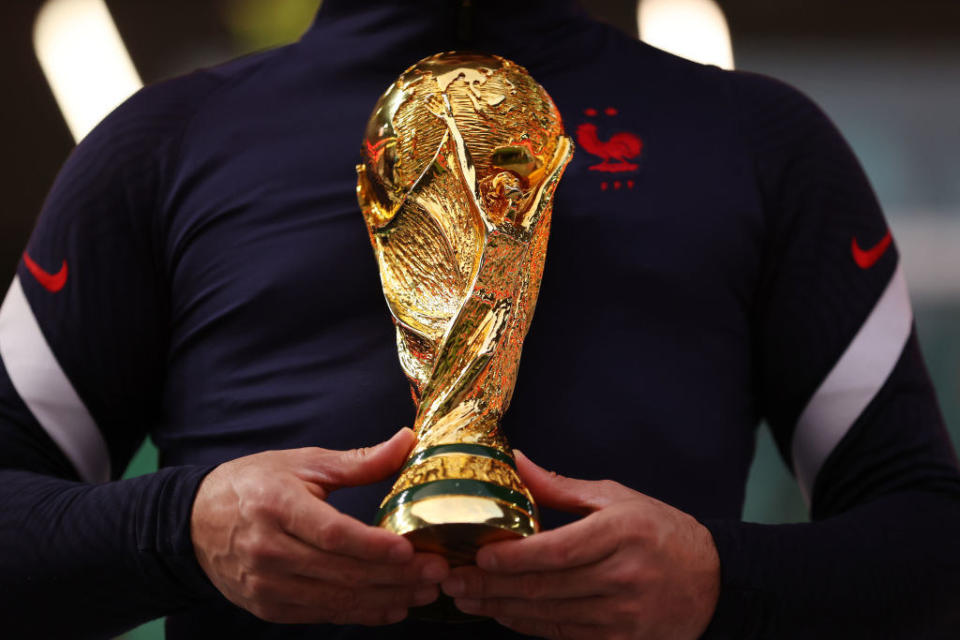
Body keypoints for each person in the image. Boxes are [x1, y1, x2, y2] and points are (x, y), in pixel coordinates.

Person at [2, 1, 958, 638]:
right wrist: (185, 527)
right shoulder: (162, 147)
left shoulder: (759, 145)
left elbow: (930, 543)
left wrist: (718, 576)